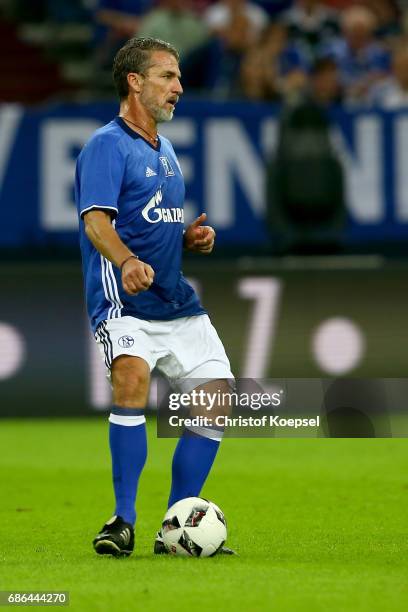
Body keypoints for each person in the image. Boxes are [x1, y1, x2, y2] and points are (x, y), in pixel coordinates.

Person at [75, 36, 235, 557]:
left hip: (174, 300)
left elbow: (154, 223)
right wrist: (125, 261)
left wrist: (186, 238)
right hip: (125, 303)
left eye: (179, 77)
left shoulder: (164, 149)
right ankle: (122, 519)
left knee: (216, 396)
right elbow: (96, 220)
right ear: (134, 82)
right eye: (167, 76)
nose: (179, 88)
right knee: (131, 376)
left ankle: (176, 525)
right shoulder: (106, 143)